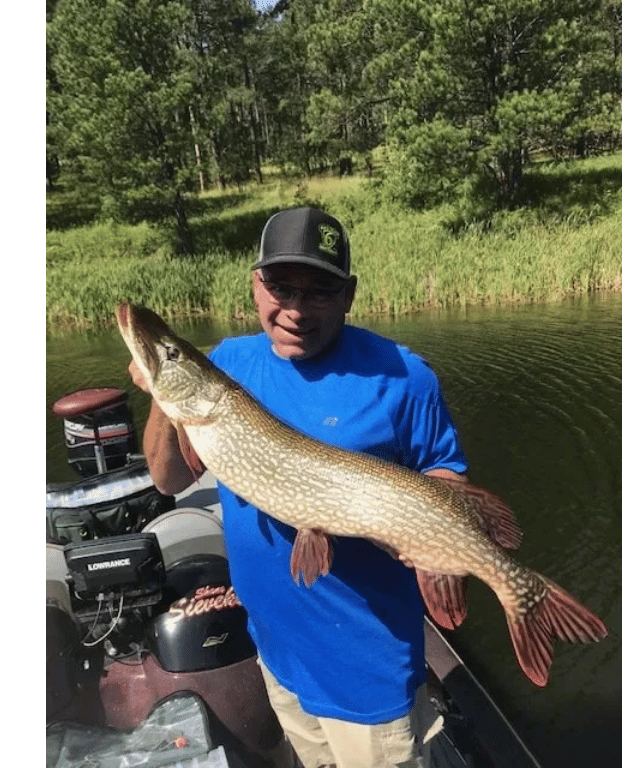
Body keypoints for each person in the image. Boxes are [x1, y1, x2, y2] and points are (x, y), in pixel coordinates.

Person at [131, 207, 468, 768]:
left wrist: (438, 549)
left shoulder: (405, 377)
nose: (294, 310)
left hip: (368, 670)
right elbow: (168, 480)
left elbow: (443, 471)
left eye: (318, 291)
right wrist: (162, 397)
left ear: (348, 295)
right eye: (280, 286)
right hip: (279, 652)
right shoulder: (228, 364)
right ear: (256, 284)